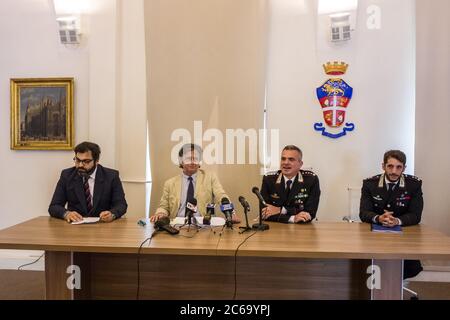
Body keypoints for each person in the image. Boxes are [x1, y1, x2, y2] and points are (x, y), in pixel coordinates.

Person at [360, 149, 424, 279]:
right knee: (369, 267)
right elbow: (363, 212)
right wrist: (378, 218)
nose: (394, 171)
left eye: (398, 167)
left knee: (403, 269)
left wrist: (397, 221)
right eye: (390, 166)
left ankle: (394, 286)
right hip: (374, 237)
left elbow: (416, 215)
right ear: (383, 166)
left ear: (404, 168)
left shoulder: (414, 185)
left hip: (404, 237)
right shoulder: (369, 184)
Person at [150, 143, 240, 223]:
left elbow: (221, 195)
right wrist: (160, 213)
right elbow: (164, 206)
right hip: (178, 225)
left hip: (204, 226)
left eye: (196, 158)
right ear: (181, 161)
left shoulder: (210, 177)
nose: (193, 162)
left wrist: (231, 213)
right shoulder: (170, 183)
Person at [49, 141, 128, 223]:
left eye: (86, 161)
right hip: (76, 227)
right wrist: (66, 214)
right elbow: (54, 206)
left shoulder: (111, 176)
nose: (80, 165)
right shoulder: (67, 176)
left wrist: (112, 214)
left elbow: (121, 205)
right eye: (77, 160)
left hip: (103, 226)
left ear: (96, 161)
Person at [260, 145, 320, 223]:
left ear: (300, 164)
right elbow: (264, 213)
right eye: (283, 159)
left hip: (301, 231)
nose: (286, 162)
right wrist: (292, 218)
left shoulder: (311, 180)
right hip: (276, 228)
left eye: (291, 159)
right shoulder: (269, 179)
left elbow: (309, 213)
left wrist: (280, 210)